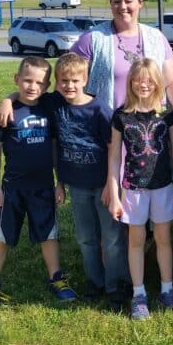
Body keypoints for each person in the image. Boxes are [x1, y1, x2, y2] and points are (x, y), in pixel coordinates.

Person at [0, 57, 77, 311]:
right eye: (27, 80)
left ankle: (56, 277)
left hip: (43, 187)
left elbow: (56, 147)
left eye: (40, 83)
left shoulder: (49, 106)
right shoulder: (6, 112)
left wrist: (60, 182)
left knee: (49, 234)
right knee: (2, 237)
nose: (33, 87)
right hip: (12, 188)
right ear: (17, 80)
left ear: (47, 86)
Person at [105, 60, 173, 320]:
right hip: (134, 189)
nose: (144, 84)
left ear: (158, 83)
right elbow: (115, 155)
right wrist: (114, 192)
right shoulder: (121, 116)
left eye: (149, 80)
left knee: (163, 240)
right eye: (139, 79)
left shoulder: (166, 114)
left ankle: (167, 288)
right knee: (136, 241)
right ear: (130, 82)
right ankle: (139, 294)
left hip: (162, 187)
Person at [46, 53, 121, 304]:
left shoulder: (99, 109)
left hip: (103, 185)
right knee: (86, 238)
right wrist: (59, 182)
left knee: (110, 238)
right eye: (64, 80)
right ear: (57, 82)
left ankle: (115, 286)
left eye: (75, 80)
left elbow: (114, 148)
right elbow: (25, 98)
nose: (69, 85)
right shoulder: (56, 105)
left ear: (85, 80)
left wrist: (112, 185)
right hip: (76, 185)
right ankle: (95, 281)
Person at [70, 0, 173, 118]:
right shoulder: (91, 39)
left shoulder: (157, 38)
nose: (122, 7)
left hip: (151, 131)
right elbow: (68, 80)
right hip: (106, 130)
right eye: (117, 1)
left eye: (128, 1)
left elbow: (172, 81)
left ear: (140, 3)